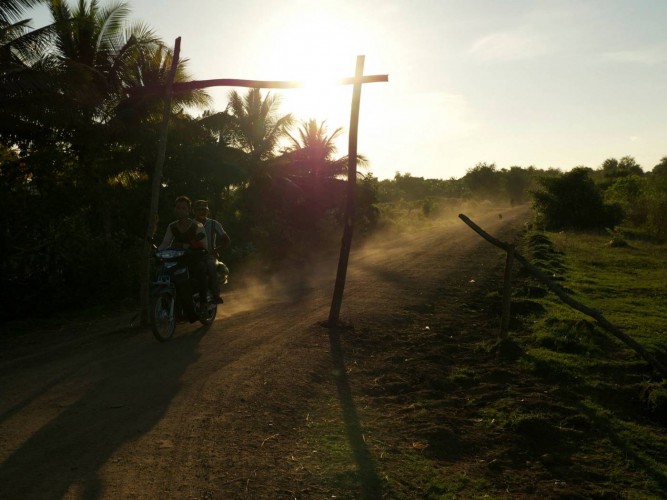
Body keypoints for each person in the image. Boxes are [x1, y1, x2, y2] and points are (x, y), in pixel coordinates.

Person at [158, 195, 210, 315]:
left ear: (189, 210)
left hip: (195, 257)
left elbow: (204, 245)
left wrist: (188, 246)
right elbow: (165, 243)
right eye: (178, 208)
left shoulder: (197, 225)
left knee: (200, 269)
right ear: (175, 209)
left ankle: (203, 303)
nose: (180, 210)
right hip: (178, 258)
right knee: (165, 271)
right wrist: (157, 252)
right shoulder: (172, 226)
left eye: (183, 208)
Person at [193, 199, 230, 304]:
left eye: (205, 209)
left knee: (210, 267)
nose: (202, 212)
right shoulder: (190, 224)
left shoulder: (214, 224)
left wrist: (216, 250)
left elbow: (227, 240)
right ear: (194, 211)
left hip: (209, 256)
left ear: (208, 211)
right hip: (192, 256)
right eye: (199, 209)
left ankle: (215, 294)